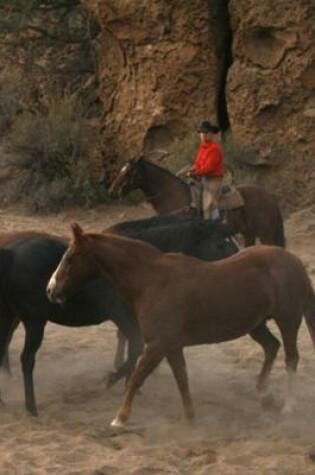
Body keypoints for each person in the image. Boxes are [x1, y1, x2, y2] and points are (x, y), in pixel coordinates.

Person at [187, 120, 225, 220]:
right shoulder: (202, 148)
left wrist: (195, 173)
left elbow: (209, 168)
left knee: (208, 206)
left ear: (211, 134)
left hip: (213, 180)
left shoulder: (215, 148)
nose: (203, 135)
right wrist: (190, 169)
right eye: (201, 132)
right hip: (203, 179)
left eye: (206, 132)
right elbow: (198, 163)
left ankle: (212, 225)